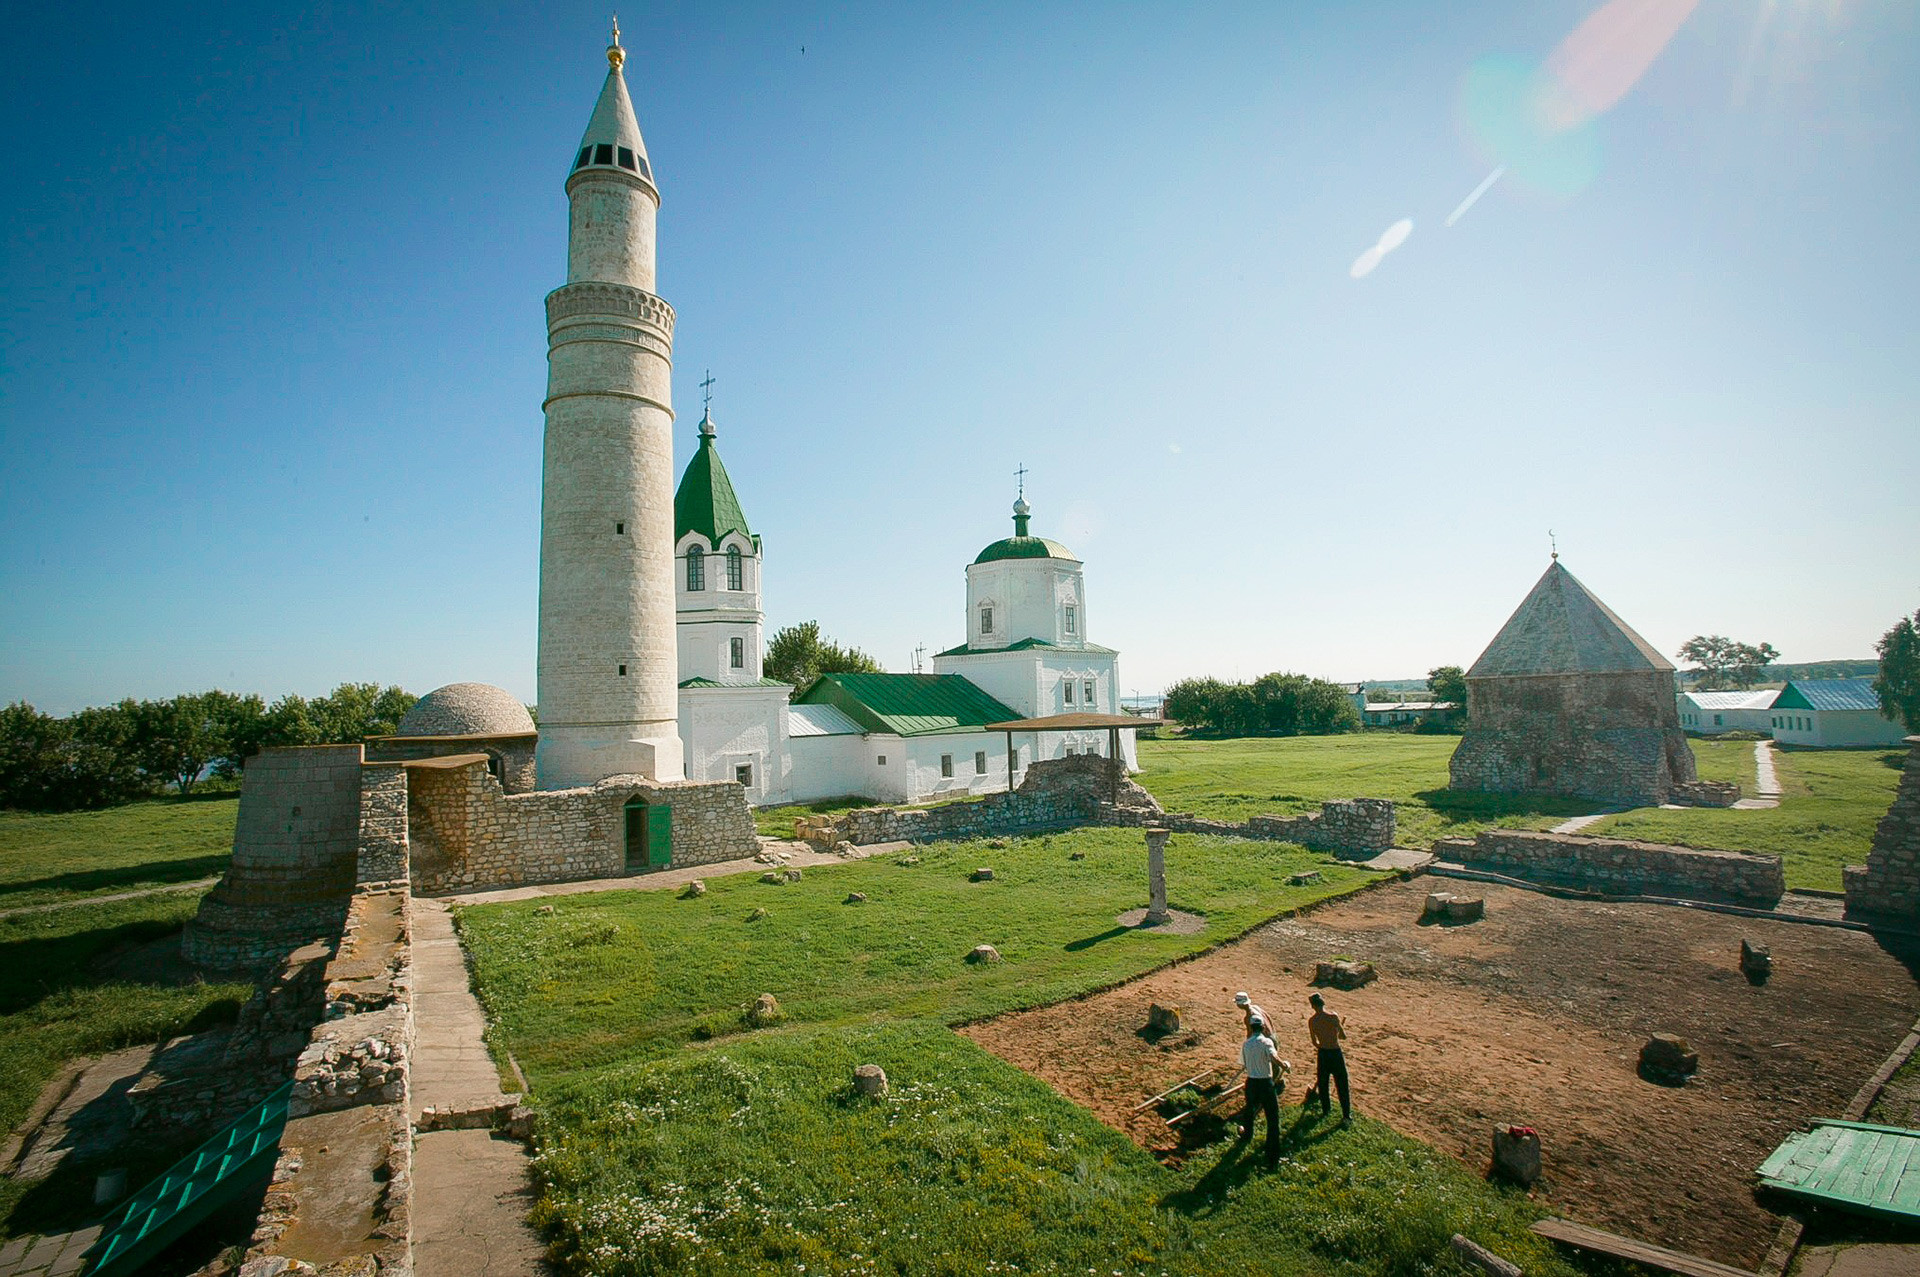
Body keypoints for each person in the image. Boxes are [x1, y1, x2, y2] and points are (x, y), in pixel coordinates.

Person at [1238, 1015, 1285, 1168]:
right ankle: (1272, 1153)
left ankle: (1246, 1135)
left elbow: (1244, 1063)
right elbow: (1273, 1057)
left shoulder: (1246, 1044)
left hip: (1251, 1082)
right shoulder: (1267, 1041)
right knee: (1272, 1118)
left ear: (1251, 1028)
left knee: (1249, 1110)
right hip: (1265, 1082)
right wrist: (1284, 1065)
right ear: (1263, 1028)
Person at [1306, 992, 1352, 1126]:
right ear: (1323, 1003)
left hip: (1323, 1053)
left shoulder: (1312, 1021)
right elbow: (1343, 1036)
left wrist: (1322, 1044)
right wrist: (1335, 1034)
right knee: (1342, 1084)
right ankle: (1346, 1115)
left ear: (1313, 1006)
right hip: (1335, 1053)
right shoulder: (1333, 1017)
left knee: (1323, 1083)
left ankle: (1326, 1110)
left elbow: (1314, 1042)